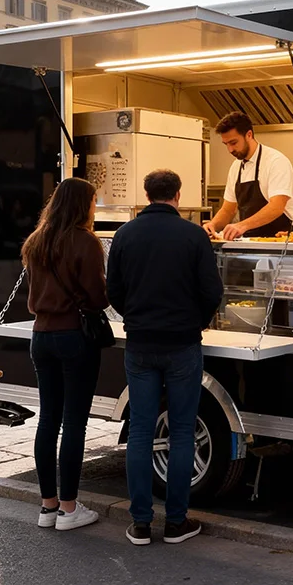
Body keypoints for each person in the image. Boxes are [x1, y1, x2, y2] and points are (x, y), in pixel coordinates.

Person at [107, 169, 223, 547]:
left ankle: (140, 523)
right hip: (182, 343)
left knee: (140, 431)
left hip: (140, 343)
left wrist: (135, 318)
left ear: (147, 194)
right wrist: (197, 321)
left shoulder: (125, 235)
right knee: (183, 430)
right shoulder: (193, 235)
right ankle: (176, 522)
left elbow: (114, 291)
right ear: (178, 194)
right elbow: (212, 290)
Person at [21, 177, 108, 532]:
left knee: (48, 420)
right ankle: (70, 509)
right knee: (74, 423)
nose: (94, 208)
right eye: (93, 202)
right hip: (74, 336)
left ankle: (48, 507)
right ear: (82, 205)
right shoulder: (85, 241)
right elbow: (98, 297)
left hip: (40, 336)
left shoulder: (35, 240)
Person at [202, 111, 293, 241]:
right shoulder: (236, 167)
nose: (230, 150)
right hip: (249, 243)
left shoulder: (275, 161)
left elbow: (277, 206)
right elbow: (228, 209)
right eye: (226, 144)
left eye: (233, 143)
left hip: (280, 244)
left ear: (249, 135)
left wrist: (242, 226)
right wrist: (212, 225)